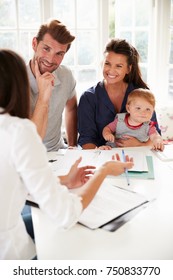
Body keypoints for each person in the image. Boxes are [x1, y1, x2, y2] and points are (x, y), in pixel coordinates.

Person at [0, 49, 133, 260]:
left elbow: (11, 181)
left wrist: (63, 180)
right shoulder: (19, 130)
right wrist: (104, 170)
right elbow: (66, 214)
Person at [78, 38, 161, 149]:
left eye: (119, 66)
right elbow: (86, 139)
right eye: (107, 64)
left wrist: (139, 145)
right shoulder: (88, 98)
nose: (111, 70)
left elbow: (156, 136)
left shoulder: (142, 94)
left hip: (138, 157)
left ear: (128, 69)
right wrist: (98, 151)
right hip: (102, 158)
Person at [27, 19, 78, 151]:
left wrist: (72, 145)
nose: (50, 59)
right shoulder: (14, 80)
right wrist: (44, 95)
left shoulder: (66, 75)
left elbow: (72, 108)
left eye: (59, 54)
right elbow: (31, 140)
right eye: (46, 49)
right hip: (27, 155)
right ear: (34, 43)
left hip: (58, 151)